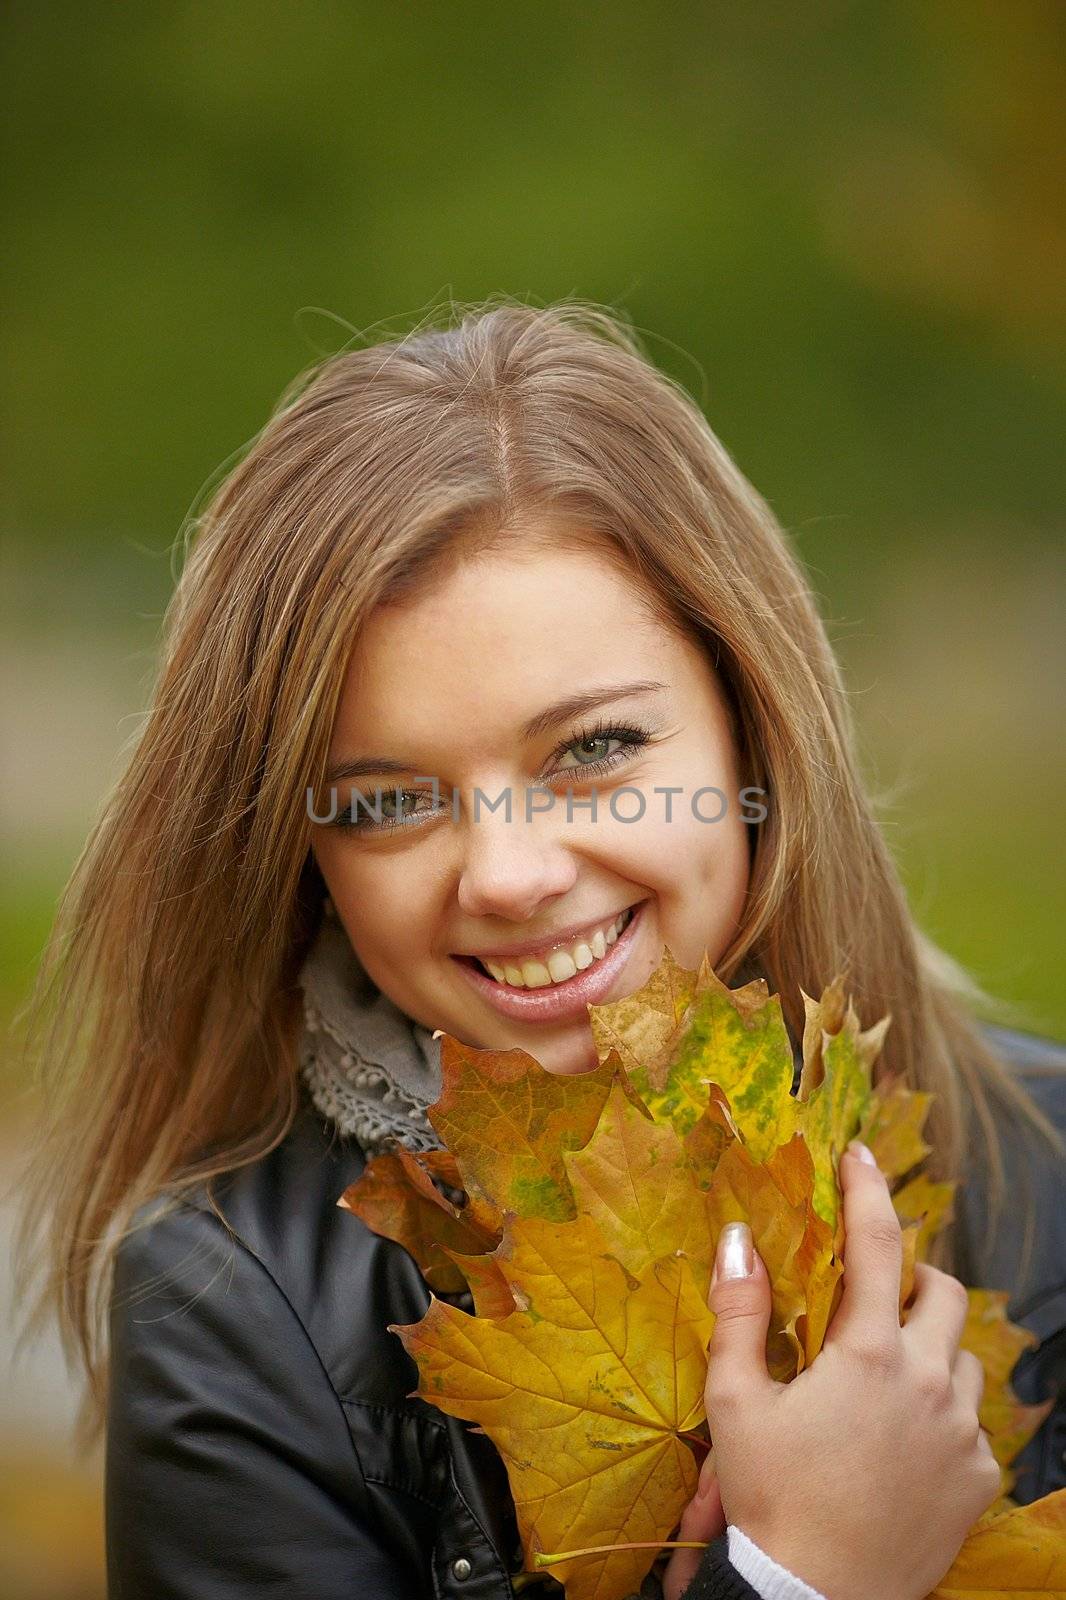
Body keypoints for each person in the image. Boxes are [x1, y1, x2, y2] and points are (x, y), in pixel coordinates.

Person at [13, 298, 1066, 1599]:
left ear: (752, 735)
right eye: (390, 799)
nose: (510, 876)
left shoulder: (1048, 1164)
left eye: (593, 751)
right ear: (306, 860)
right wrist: (798, 1579)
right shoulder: (229, 1306)